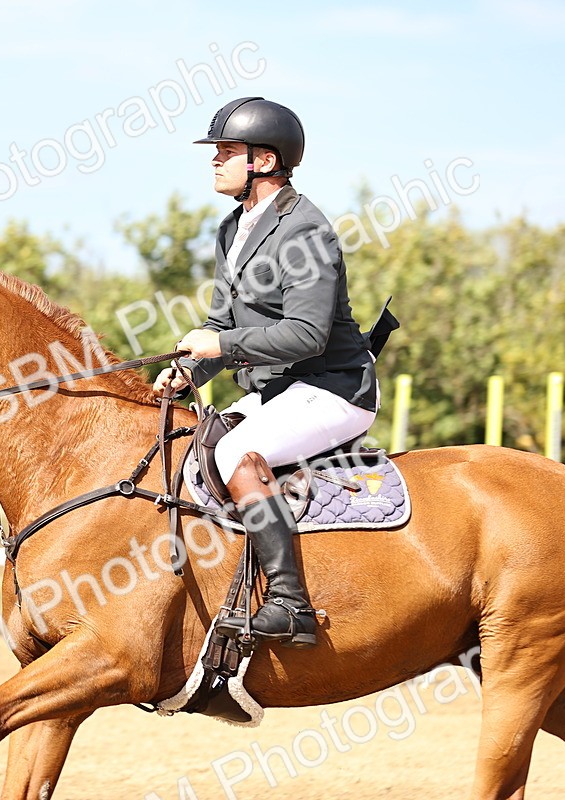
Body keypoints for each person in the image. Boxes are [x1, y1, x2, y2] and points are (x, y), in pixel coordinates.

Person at [152, 97, 380, 648]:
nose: (215, 161)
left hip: (333, 389)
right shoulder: (233, 230)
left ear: (264, 160)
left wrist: (221, 343)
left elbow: (307, 335)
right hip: (277, 391)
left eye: (227, 152)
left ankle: (290, 604)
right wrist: (190, 372)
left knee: (234, 455)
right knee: (192, 447)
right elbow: (220, 323)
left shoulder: (305, 231)